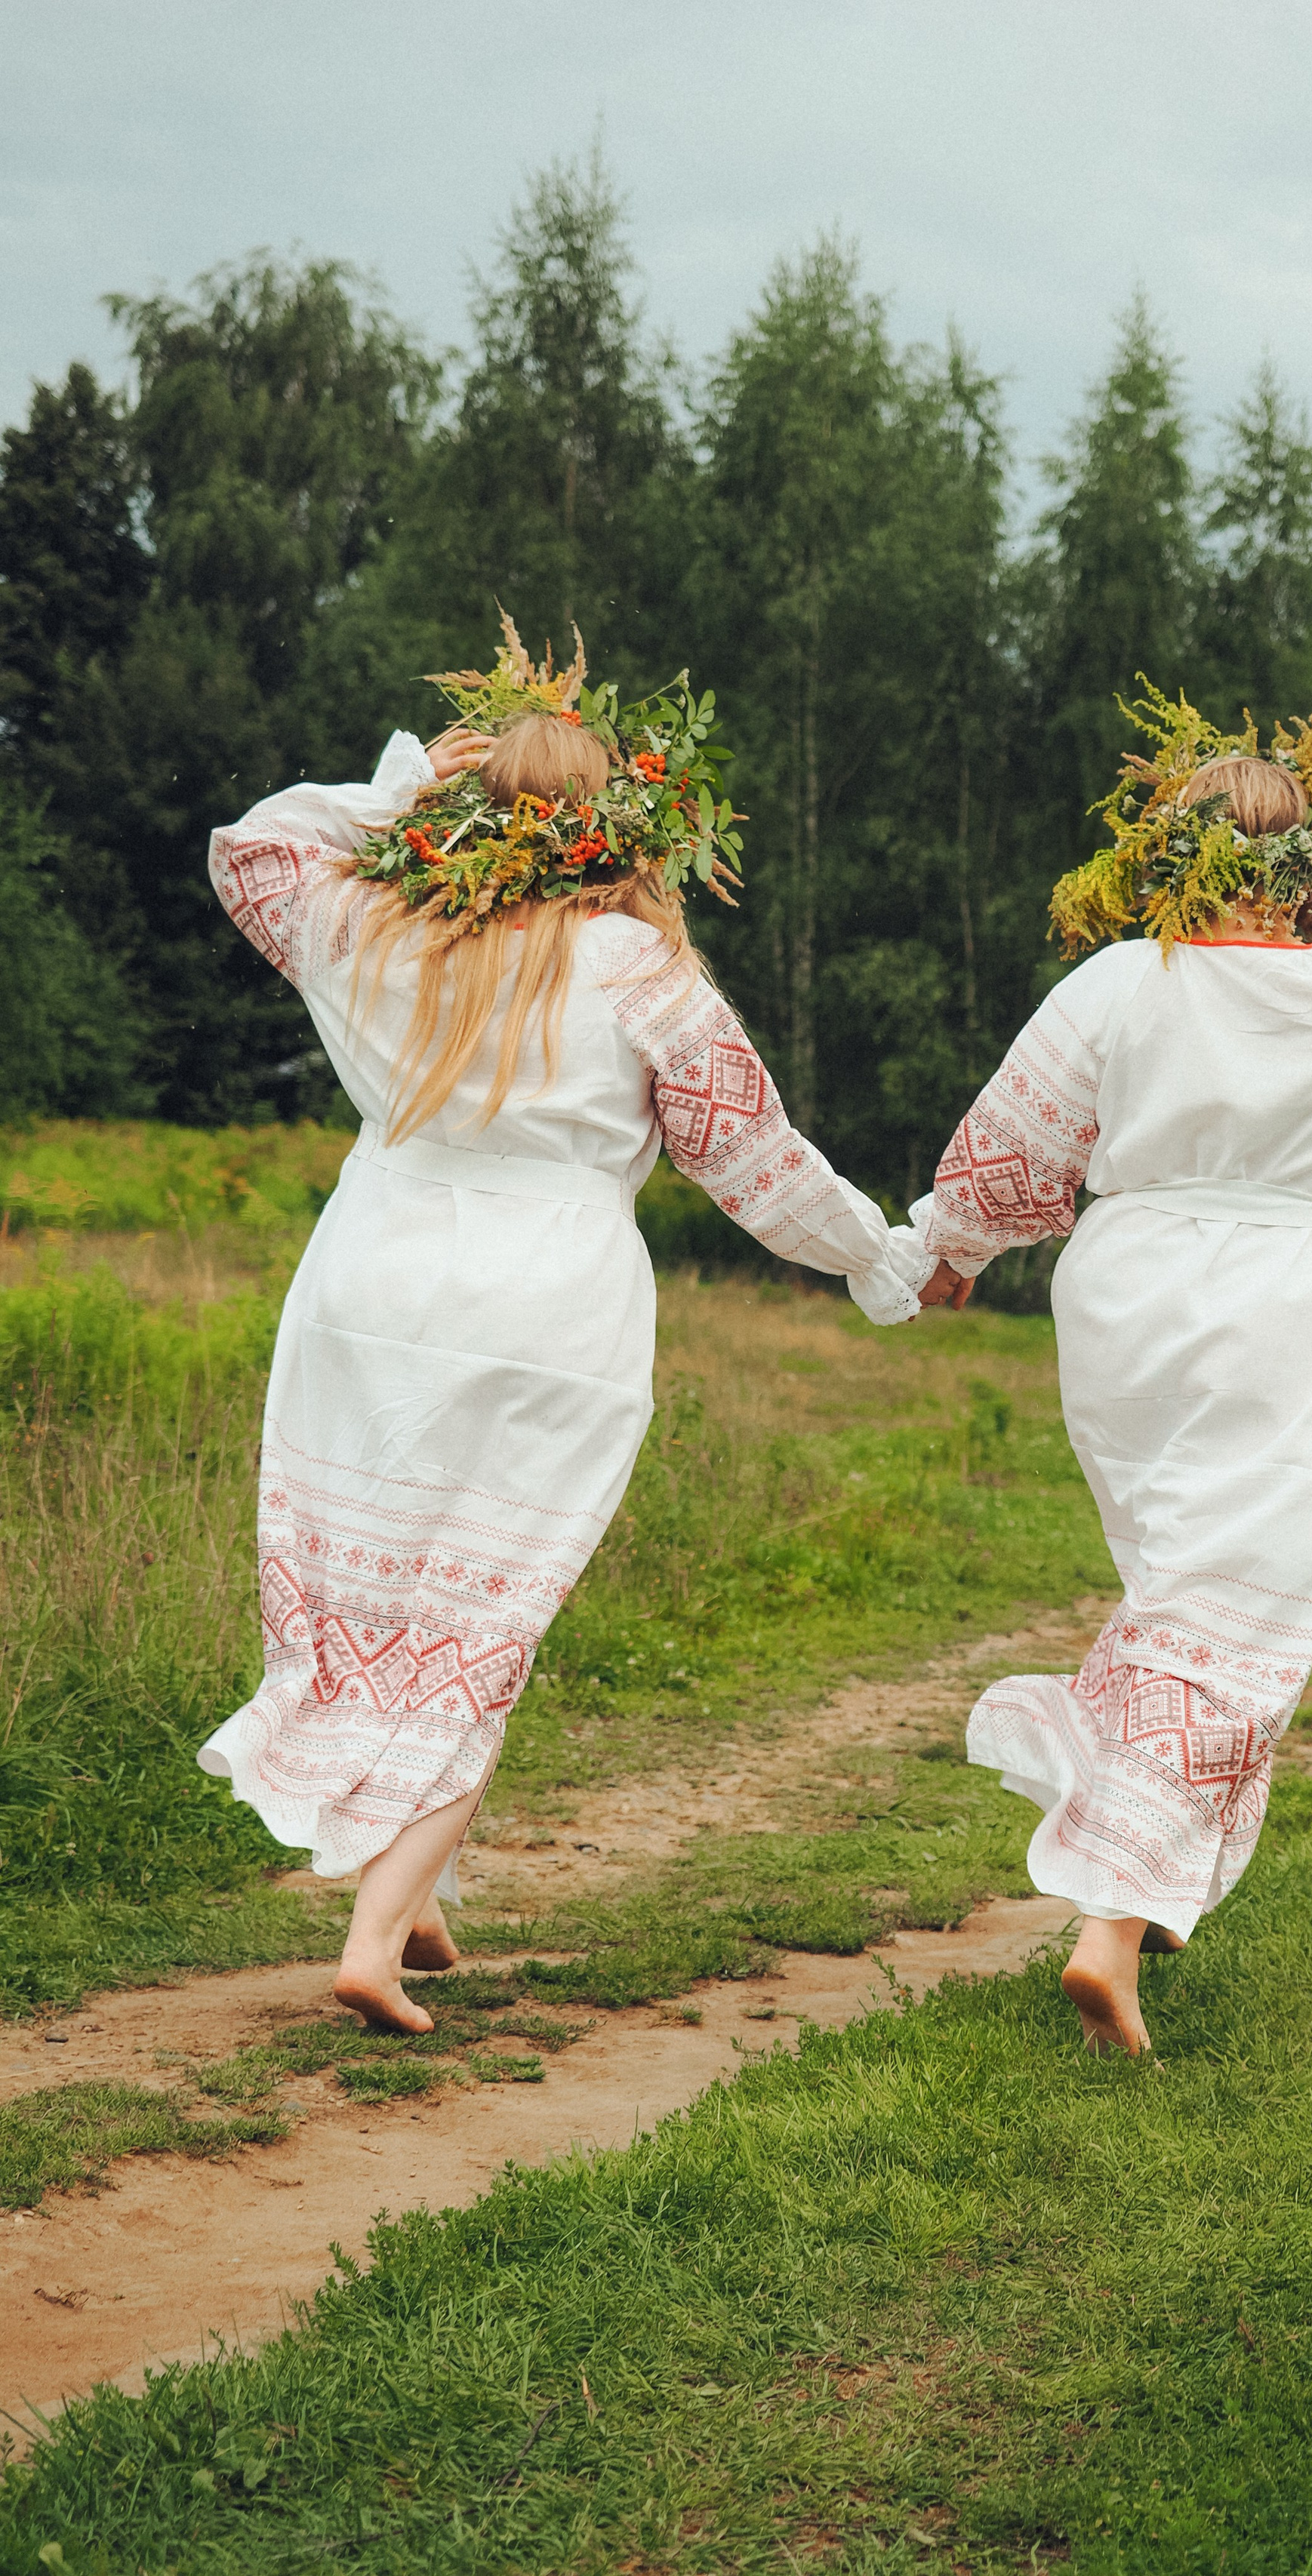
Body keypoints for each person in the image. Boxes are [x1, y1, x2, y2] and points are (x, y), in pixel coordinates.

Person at [199, 622, 941, 2033]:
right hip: (549, 1303)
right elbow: (759, 1163)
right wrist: (882, 1260)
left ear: (476, 810)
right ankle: (373, 1932)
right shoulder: (639, 970)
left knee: (382, 1597)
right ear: (621, 829)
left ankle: (415, 1895)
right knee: (487, 1611)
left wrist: (409, 789)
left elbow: (255, 846)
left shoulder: (377, 929)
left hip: (373, 1283)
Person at [910, 691, 1312, 2055]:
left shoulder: (1120, 981)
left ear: (1170, 856)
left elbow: (1012, 1146)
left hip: (1129, 1301)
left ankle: (1158, 1878)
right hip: (1290, 1305)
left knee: (1180, 1585)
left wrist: (952, 1251)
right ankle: (1112, 1920)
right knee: (1242, 1616)